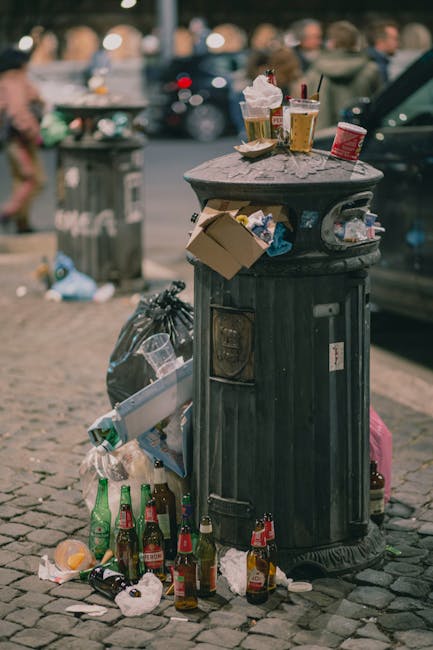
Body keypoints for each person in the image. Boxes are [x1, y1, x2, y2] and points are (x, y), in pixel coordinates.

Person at [0, 47, 45, 233]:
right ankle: (8, 213)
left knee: (21, 179)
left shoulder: (4, 81)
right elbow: (19, 113)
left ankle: (22, 223)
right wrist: (34, 134)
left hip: (11, 140)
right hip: (20, 140)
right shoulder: (15, 82)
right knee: (35, 179)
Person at [305, 21, 382, 129]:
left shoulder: (314, 71)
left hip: (321, 138)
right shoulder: (371, 69)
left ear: (331, 42)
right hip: (359, 137)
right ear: (355, 42)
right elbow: (378, 107)